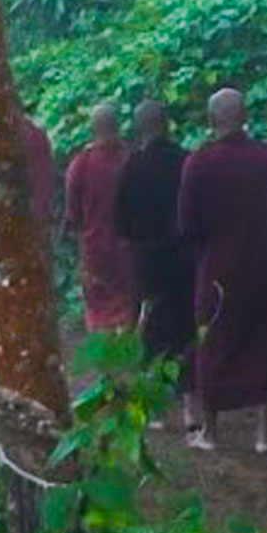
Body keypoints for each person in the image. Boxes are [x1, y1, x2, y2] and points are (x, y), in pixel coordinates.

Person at [177, 86, 267, 452]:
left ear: (211, 121)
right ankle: (264, 433)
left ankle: (210, 431)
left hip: (216, 268)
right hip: (263, 267)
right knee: (263, 341)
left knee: (213, 342)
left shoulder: (200, 163)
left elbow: (187, 224)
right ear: (246, 117)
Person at [114, 100, 195, 416]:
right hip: (183, 257)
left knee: (153, 329)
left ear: (138, 128)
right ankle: (188, 401)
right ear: (168, 125)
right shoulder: (185, 160)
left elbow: (120, 223)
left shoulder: (132, 166)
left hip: (146, 259)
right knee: (185, 328)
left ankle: (154, 405)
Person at [65, 103, 137, 332]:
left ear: (92, 128)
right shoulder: (131, 160)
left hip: (94, 249)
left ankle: (103, 364)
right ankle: (125, 362)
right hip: (128, 249)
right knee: (126, 309)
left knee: (97, 311)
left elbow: (74, 216)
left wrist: (81, 256)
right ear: (117, 127)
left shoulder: (81, 164)